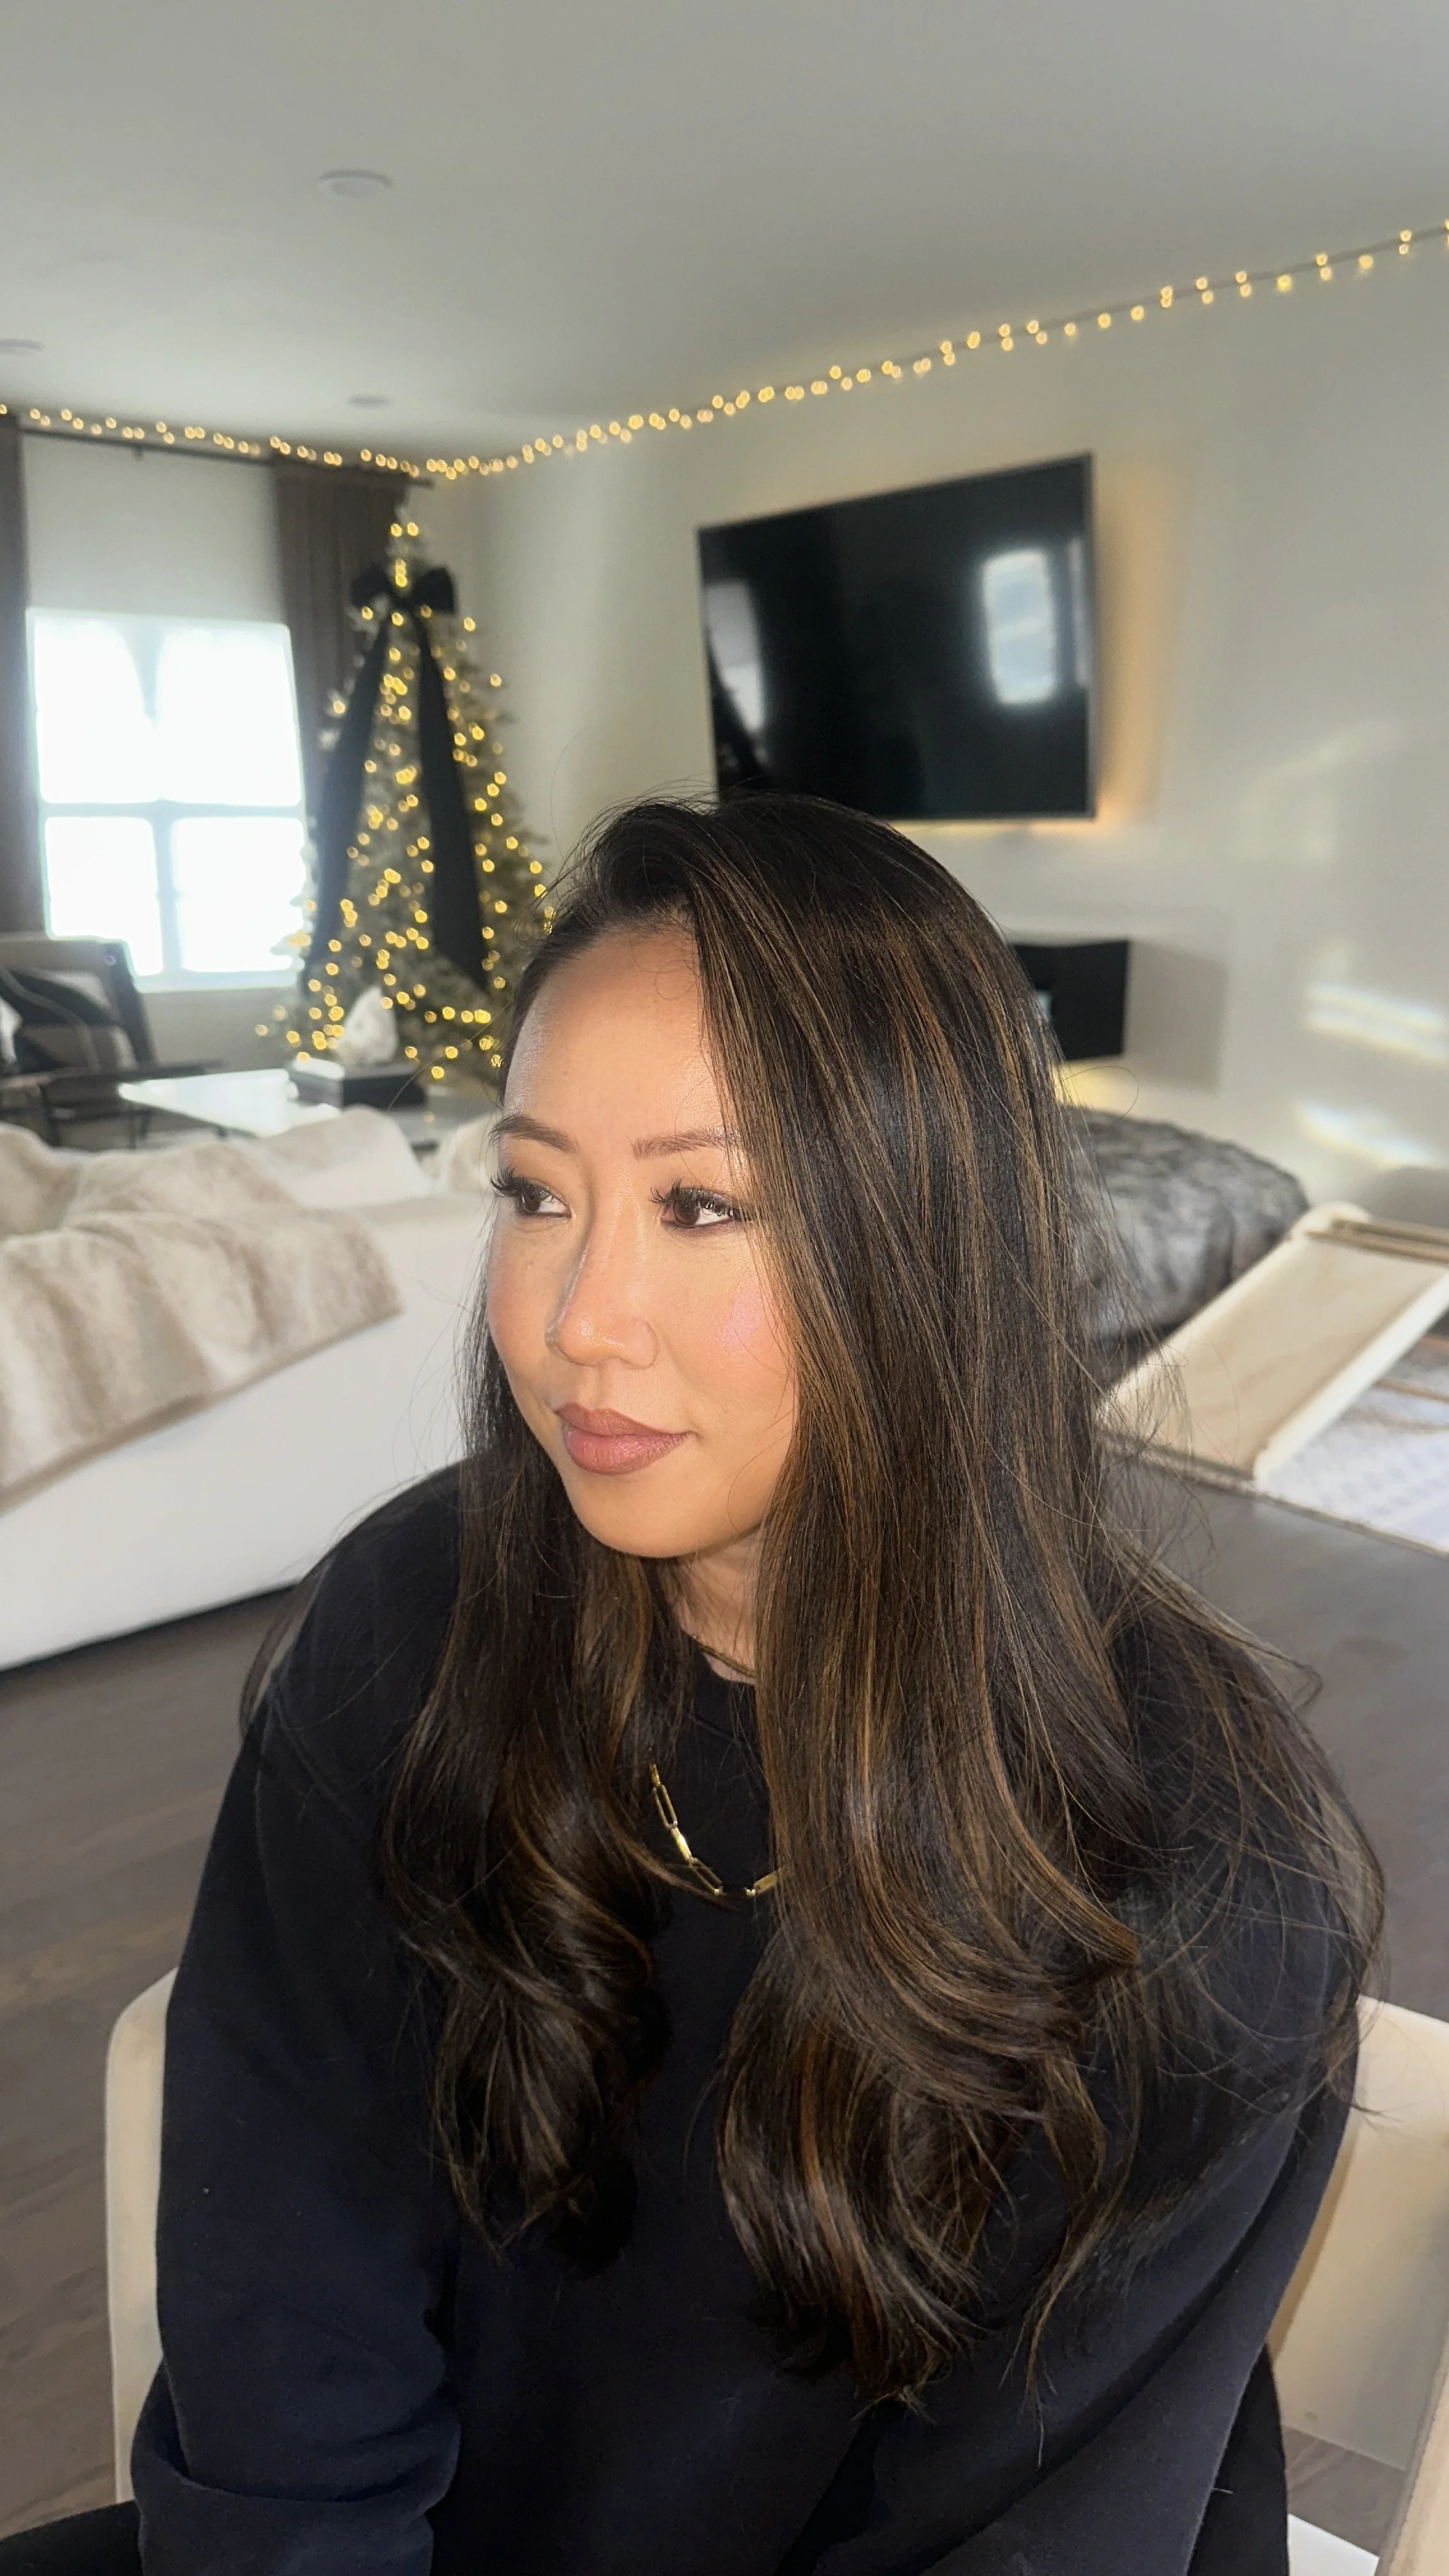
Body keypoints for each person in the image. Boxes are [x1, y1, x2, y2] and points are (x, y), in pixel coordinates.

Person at [4, 795, 1379, 2576]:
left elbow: (1039, 2534)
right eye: (532, 1191)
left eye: (699, 1204)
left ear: (926, 1241)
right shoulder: (412, 1624)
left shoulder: (1195, 1857)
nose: (578, 1314)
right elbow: (291, 2276)